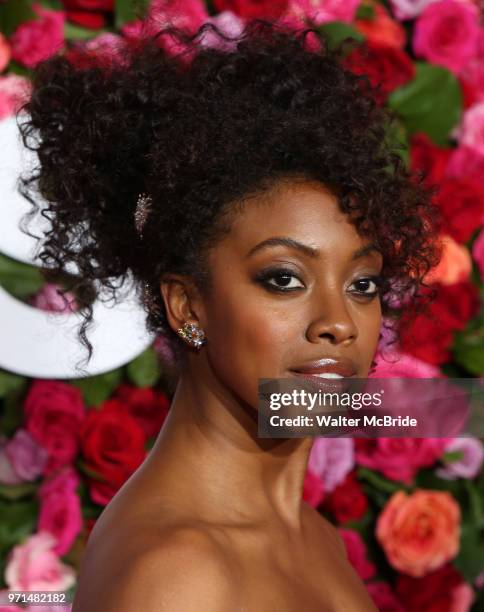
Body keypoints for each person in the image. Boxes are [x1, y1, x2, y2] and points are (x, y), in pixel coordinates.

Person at [17, 17, 440, 611]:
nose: (338, 323)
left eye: (362, 283)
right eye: (283, 278)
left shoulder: (311, 538)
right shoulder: (177, 577)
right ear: (188, 305)